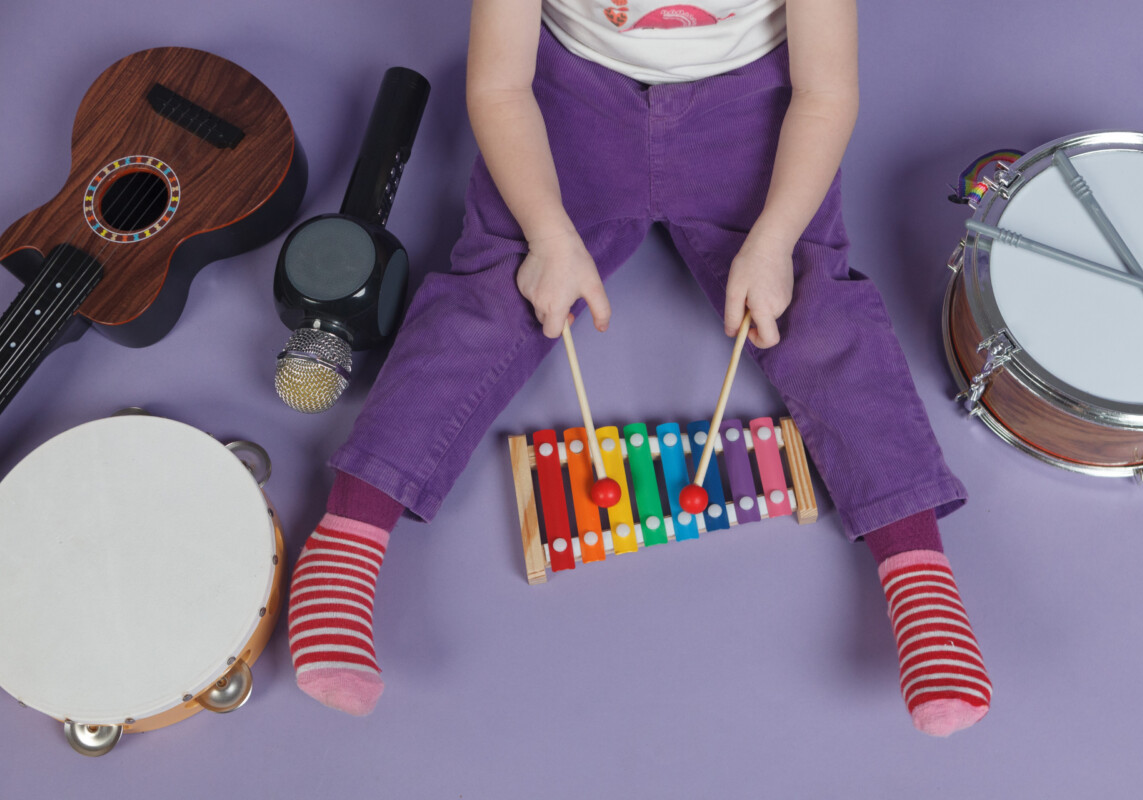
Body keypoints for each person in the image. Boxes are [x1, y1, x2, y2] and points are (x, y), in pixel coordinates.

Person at [287, 0, 991, 736]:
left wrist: (776, 238)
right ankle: (347, 542)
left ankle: (918, 576)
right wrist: (548, 234)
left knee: (818, 314)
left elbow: (826, 91)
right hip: (569, 102)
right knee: (491, 299)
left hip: (751, 112)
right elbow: (499, 86)